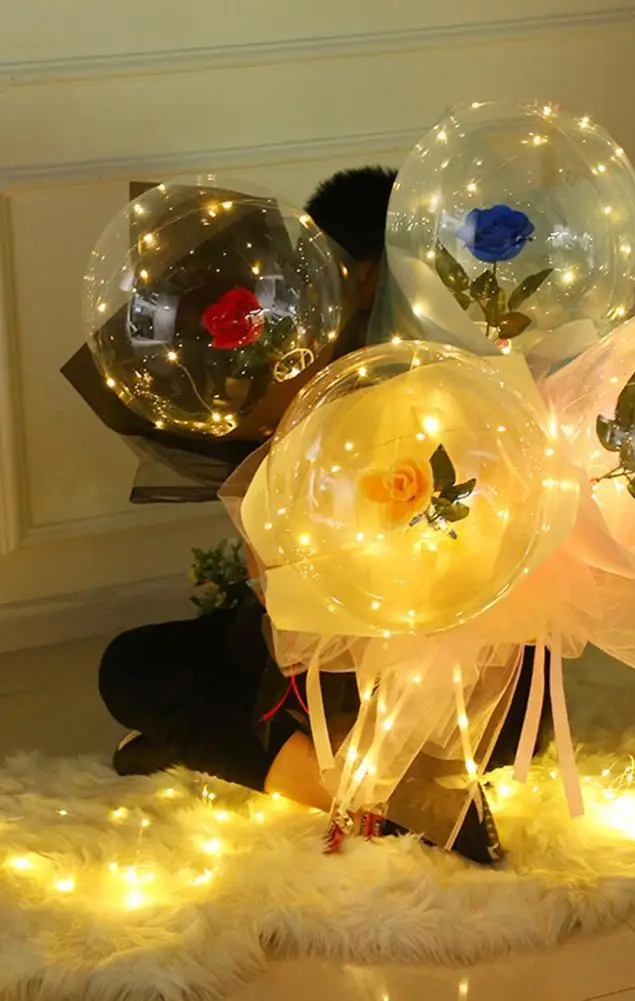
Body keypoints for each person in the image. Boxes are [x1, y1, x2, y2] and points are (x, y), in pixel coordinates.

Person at [99, 166, 552, 865]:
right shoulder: (296, 372)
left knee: (143, 672)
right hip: (373, 673)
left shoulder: (457, 380)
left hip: (451, 690)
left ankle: (293, 767)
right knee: (136, 662)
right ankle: (363, 785)